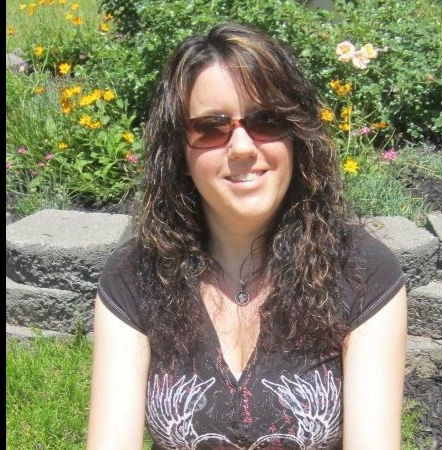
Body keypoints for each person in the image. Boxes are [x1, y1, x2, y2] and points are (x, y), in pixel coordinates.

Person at [87, 23, 407, 450]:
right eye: (211, 127)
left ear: (297, 137)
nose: (241, 147)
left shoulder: (363, 274)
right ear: (180, 151)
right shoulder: (135, 276)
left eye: (267, 121)